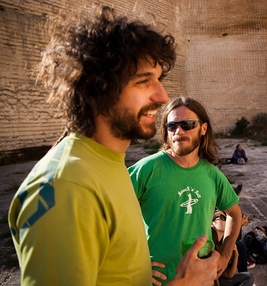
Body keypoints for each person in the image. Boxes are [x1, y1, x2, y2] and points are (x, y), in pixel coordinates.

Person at [8, 5, 219, 285]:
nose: (162, 96)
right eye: (143, 82)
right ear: (95, 89)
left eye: (159, 79)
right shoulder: (68, 189)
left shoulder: (107, 162)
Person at [128, 96, 242, 285]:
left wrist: (225, 254)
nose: (178, 131)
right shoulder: (146, 170)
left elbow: (235, 214)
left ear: (203, 129)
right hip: (156, 280)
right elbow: (109, 220)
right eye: (172, 126)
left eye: (187, 124)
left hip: (202, 279)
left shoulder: (212, 175)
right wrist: (131, 263)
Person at [212, 209, 255, 286]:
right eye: (222, 217)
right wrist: (238, 224)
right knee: (248, 278)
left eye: (226, 218)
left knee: (248, 276)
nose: (227, 221)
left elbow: (229, 274)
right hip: (211, 281)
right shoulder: (211, 243)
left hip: (219, 277)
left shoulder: (222, 242)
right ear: (212, 224)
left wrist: (236, 255)